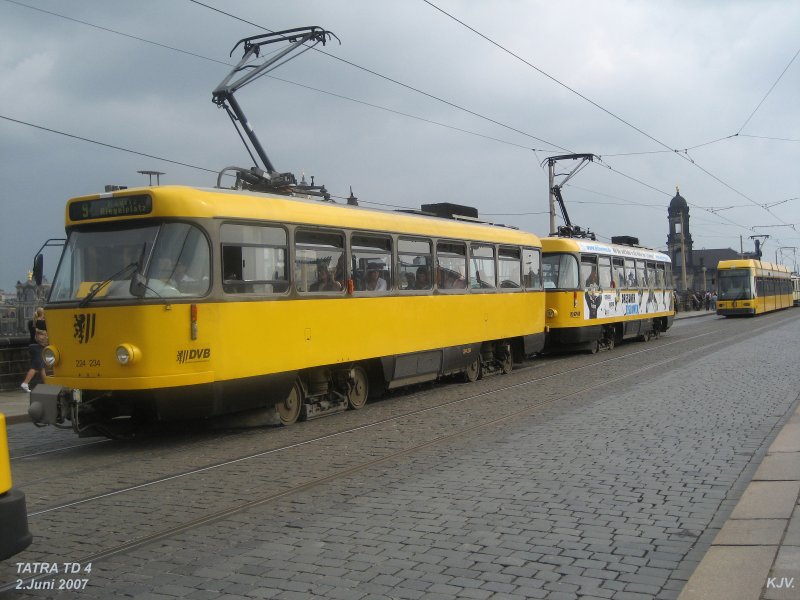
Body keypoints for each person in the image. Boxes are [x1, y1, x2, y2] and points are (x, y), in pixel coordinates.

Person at [21, 307, 47, 393]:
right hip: (38, 346)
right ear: (42, 314)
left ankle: (47, 384)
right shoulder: (43, 323)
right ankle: (25, 383)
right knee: (35, 366)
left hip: (31, 345)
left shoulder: (30, 322)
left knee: (41, 367)